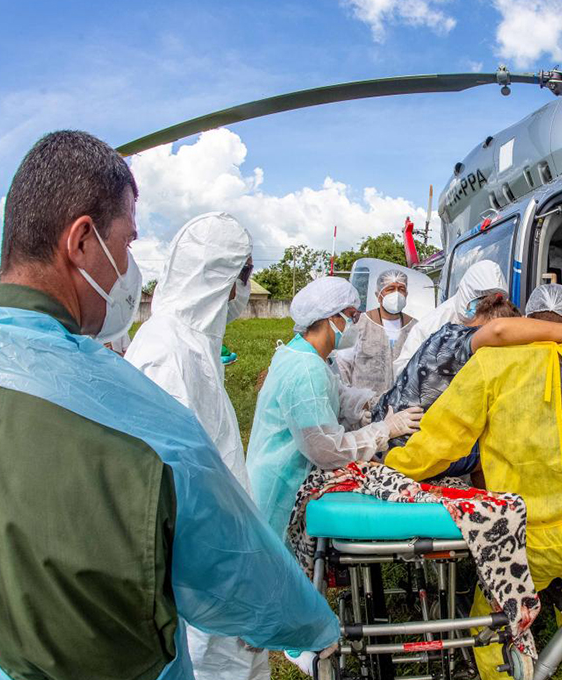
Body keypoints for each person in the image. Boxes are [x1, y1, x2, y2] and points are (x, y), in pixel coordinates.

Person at [0, 131, 337, 680]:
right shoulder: (137, 415)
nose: (130, 265)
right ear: (82, 241)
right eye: (128, 242)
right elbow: (234, 565)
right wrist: (317, 628)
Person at [385, 283, 562, 678]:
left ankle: (500, 670)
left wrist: (390, 468)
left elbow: (439, 443)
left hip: (526, 537)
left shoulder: (493, 365)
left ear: (526, 321)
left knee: (490, 618)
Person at [125, 212, 267, 680]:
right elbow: (178, 487)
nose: (243, 293)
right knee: (213, 665)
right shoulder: (167, 351)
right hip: (202, 574)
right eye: (243, 278)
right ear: (225, 280)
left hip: (221, 563)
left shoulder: (195, 345)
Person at [246, 275, 424, 540]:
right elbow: (326, 449)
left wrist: (368, 404)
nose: (356, 324)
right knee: (280, 565)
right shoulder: (305, 369)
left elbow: (335, 394)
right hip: (281, 487)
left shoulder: (306, 354)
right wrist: (383, 430)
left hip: (281, 474)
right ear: (332, 318)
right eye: (351, 316)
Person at [374, 291, 562, 477]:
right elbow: (498, 331)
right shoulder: (474, 346)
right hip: (404, 450)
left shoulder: (445, 333)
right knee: (495, 449)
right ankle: (489, 503)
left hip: (385, 429)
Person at [393, 260, 507, 376]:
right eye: (481, 299)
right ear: (466, 294)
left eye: (492, 301)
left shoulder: (502, 321)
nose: (485, 306)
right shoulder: (432, 325)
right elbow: (403, 371)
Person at [336, 268, 417, 393]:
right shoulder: (360, 324)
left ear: (406, 294)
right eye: (390, 289)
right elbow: (343, 365)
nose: (396, 294)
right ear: (378, 295)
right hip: (364, 406)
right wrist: (348, 402)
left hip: (400, 406)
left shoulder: (415, 327)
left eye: (401, 289)